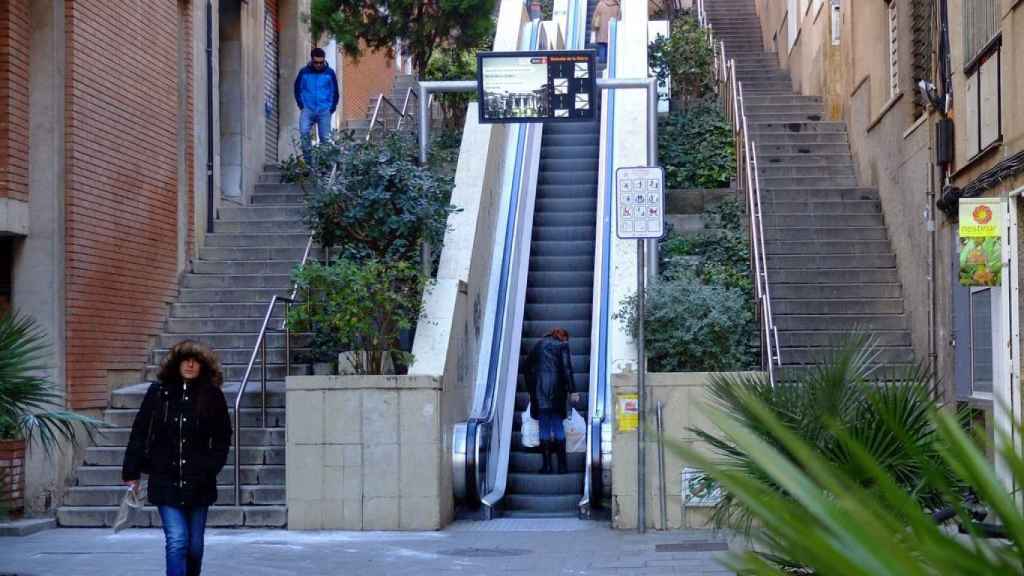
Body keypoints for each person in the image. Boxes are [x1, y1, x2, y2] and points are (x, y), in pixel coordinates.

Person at [122, 341, 232, 576]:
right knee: (177, 541)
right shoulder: (158, 393)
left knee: (194, 547)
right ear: (176, 363)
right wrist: (132, 472)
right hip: (165, 479)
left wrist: (211, 466)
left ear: (203, 366)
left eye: (196, 361)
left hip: (199, 481)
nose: (190, 364)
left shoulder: (212, 395)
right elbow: (140, 431)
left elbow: (223, 437)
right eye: (185, 359)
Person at [525, 328, 579, 475]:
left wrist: (531, 389)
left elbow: (527, 367)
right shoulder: (562, 346)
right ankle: (562, 467)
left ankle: (547, 467)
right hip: (557, 393)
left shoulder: (538, 345)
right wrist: (573, 390)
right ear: (563, 337)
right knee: (558, 426)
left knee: (543, 427)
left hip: (539, 392)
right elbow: (567, 369)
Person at [294, 47, 340, 166]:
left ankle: (324, 165)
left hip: (324, 110)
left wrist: (331, 108)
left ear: (324, 60)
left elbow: (335, 92)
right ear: (311, 60)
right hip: (307, 109)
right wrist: (301, 105)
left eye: (321, 62)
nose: (319, 65)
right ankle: (309, 164)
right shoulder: (303, 72)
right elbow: (297, 89)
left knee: (325, 138)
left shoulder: (330, 73)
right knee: (304, 134)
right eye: (316, 62)